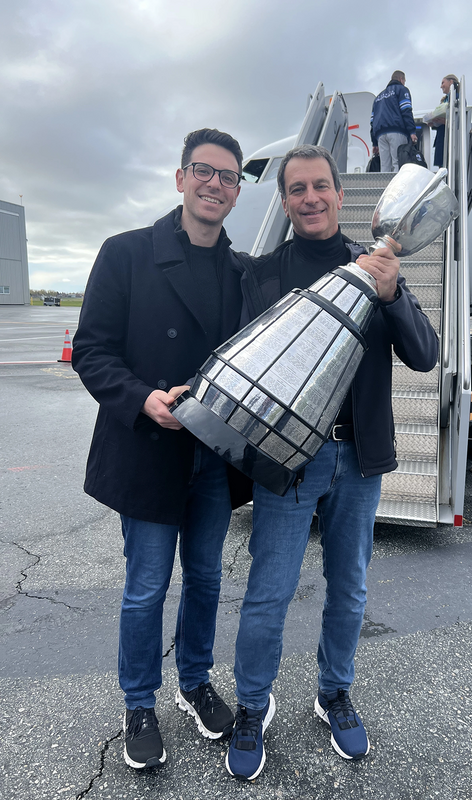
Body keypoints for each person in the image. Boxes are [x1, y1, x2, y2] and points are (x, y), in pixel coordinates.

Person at [225, 144, 439, 781]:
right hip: (289, 460)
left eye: (322, 186)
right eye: (298, 190)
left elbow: (426, 355)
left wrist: (394, 291)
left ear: (342, 197)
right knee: (269, 591)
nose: (311, 198)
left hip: (361, 457)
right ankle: (252, 705)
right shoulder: (261, 275)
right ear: (285, 200)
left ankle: (333, 693)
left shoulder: (374, 263)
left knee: (349, 589)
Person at [72, 128, 252, 770]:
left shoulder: (241, 272)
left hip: (211, 456)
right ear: (180, 178)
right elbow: (91, 350)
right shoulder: (125, 254)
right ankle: (138, 702)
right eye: (204, 170)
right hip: (149, 447)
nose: (215, 183)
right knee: (147, 586)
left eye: (228, 176)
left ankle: (195, 681)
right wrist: (143, 397)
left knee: (205, 578)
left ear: (236, 192)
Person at [370, 70, 418, 173]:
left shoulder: (378, 97)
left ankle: (385, 187)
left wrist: (375, 142)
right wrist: (412, 131)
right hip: (397, 131)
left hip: (380, 135)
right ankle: (398, 188)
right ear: (401, 79)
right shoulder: (401, 90)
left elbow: (372, 122)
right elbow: (406, 111)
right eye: (404, 80)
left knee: (385, 165)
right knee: (398, 162)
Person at [430, 74, 460, 168]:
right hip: (441, 138)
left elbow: (459, 119)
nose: (441, 86)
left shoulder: (458, 99)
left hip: (450, 141)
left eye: (443, 82)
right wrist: (434, 123)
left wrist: (446, 121)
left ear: (451, 82)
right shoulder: (444, 101)